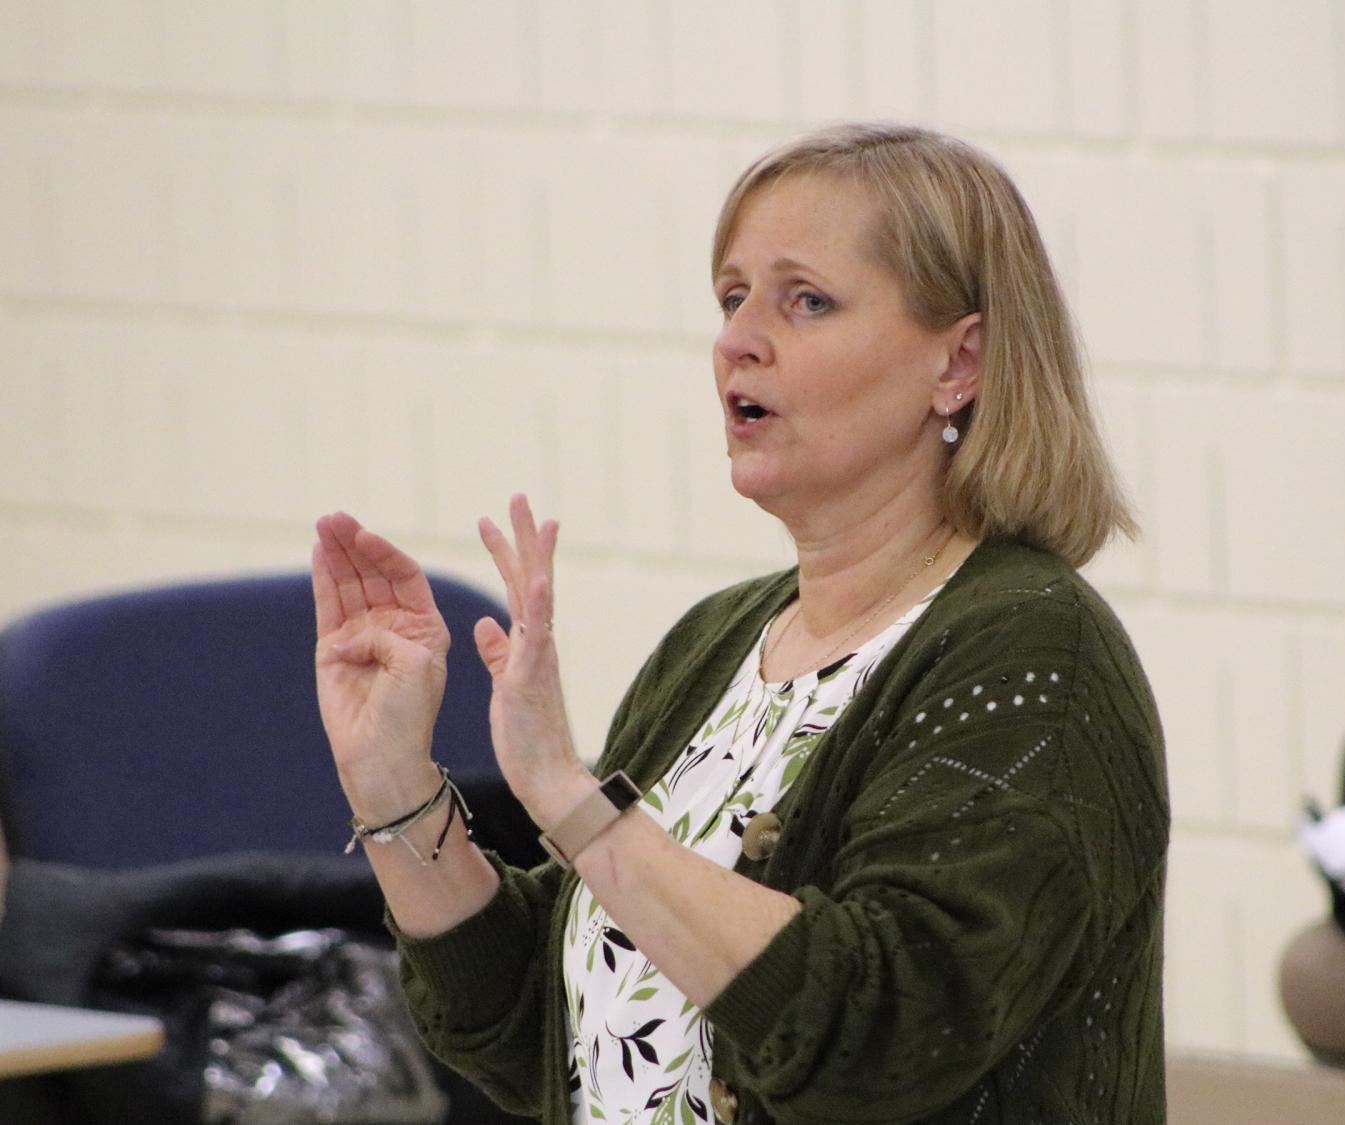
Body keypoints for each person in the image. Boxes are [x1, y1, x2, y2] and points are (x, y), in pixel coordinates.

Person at [311, 121, 1169, 1125]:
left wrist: (572, 801)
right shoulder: (718, 642)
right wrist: (394, 784)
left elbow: (882, 1036)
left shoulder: (1030, 654)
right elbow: (534, 1024)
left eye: (805, 300)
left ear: (959, 363)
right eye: (731, 297)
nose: (739, 339)